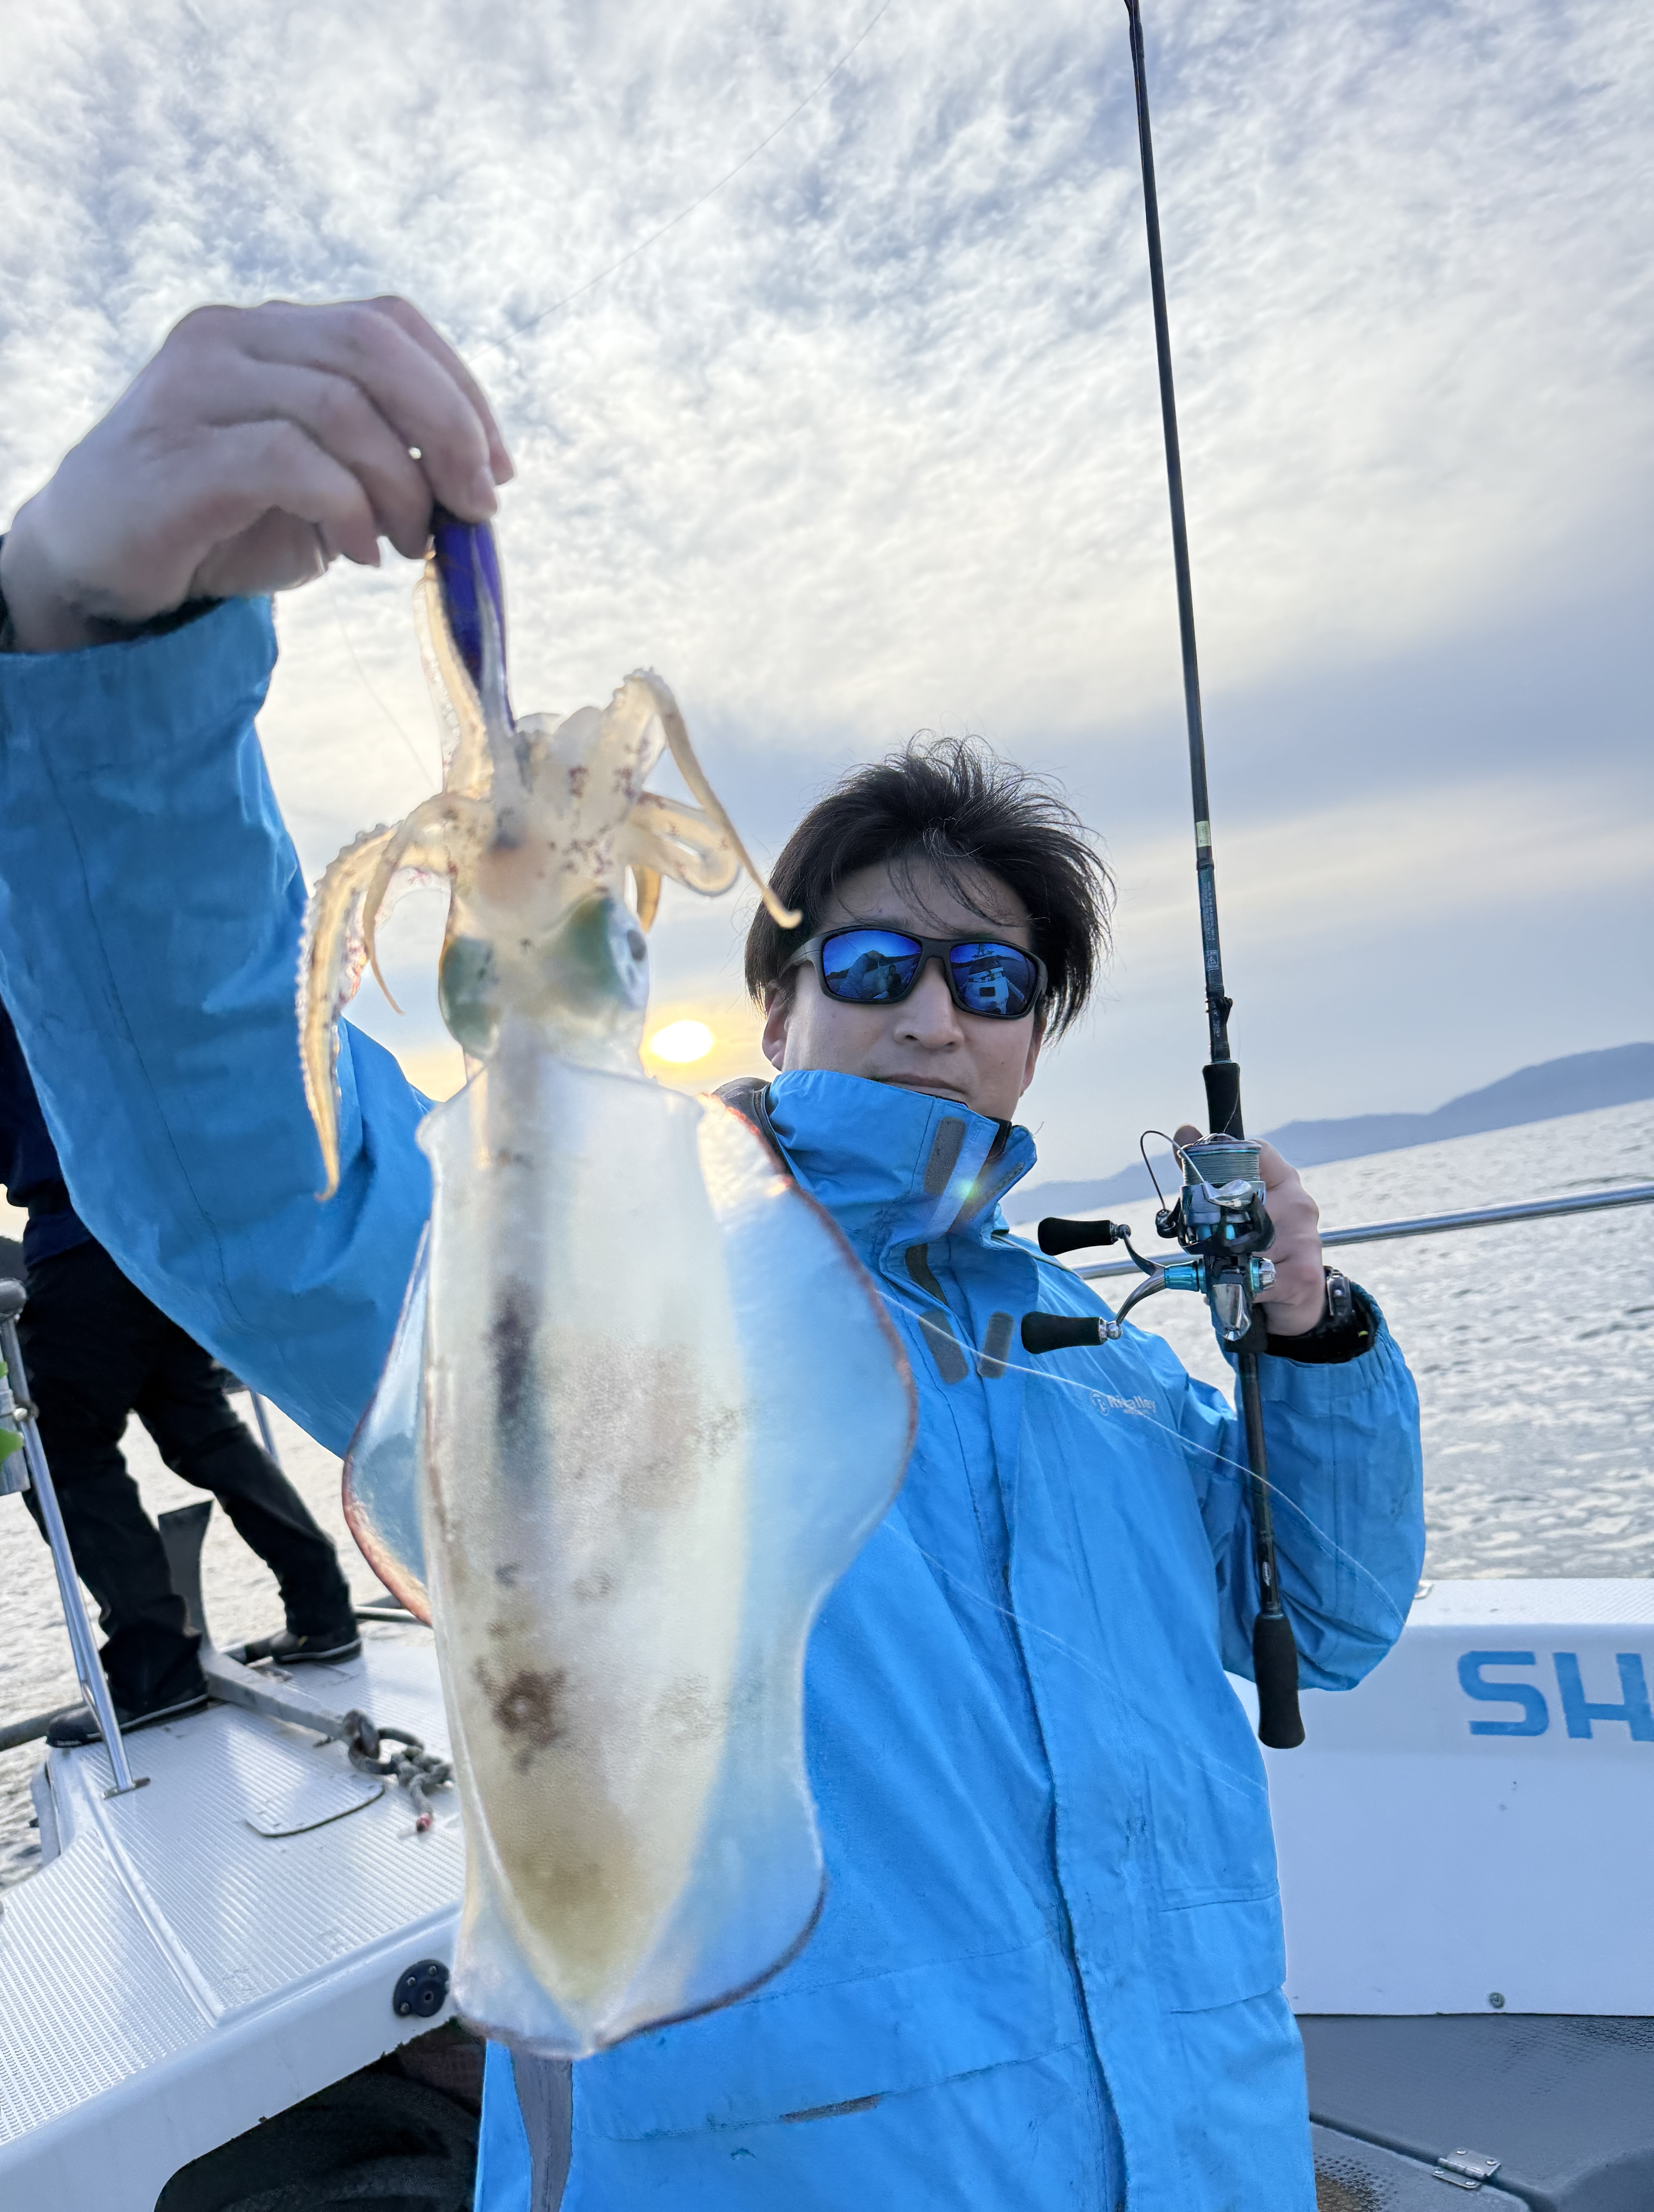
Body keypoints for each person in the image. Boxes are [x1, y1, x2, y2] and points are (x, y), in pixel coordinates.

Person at [0, 299, 1423, 2210]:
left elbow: (1328, 1622)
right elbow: (267, 1181)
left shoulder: (1106, 1364)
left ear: (1035, 1037)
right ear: (777, 1004)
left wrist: (1310, 1341)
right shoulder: (641, 1282)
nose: (935, 1011)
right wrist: (107, 648)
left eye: (995, 981)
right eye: (876, 961)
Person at [0, 995, 360, 1740]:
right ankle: (324, 1610)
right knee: (201, 1423)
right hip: (164, 1237)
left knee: (58, 1451)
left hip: (80, 1238)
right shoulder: (53, 968)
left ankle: (156, 1672)